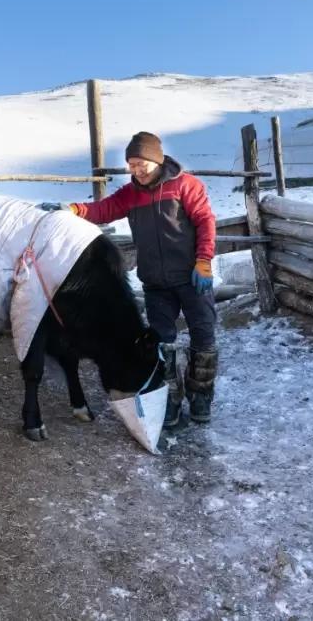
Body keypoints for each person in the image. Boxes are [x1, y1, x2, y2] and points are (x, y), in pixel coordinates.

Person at [40, 131, 218, 426]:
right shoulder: (131, 194)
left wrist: (203, 261)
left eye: (141, 163)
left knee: (204, 337)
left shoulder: (186, 186)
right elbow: (104, 209)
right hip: (157, 284)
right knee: (162, 344)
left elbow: (205, 221)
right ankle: (169, 399)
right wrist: (73, 209)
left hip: (191, 277)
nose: (136, 170)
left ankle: (201, 396)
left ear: (156, 160)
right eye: (131, 165)